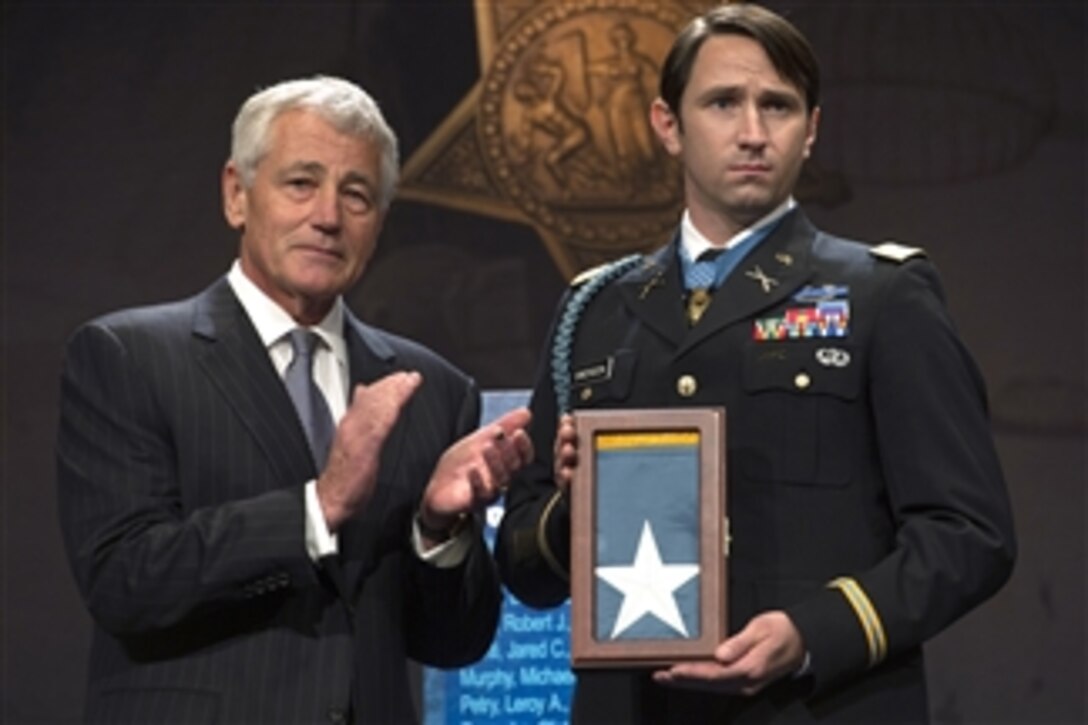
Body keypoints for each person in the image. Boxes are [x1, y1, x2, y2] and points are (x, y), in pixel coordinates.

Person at [494, 4, 1016, 723]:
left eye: (778, 106)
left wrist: (811, 633)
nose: (752, 132)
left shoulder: (883, 294)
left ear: (812, 130)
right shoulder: (593, 310)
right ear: (667, 125)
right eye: (722, 103)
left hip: (812, 703)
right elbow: (526, 565)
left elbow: (969, 534)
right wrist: (571, 510)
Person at [56, 75, 533, 725]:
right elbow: (124, 581)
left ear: (380, 221)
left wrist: (436, 529)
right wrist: (317, 507)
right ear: (236, 194)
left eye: (356, 194)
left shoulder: (433, 390)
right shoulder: (127, 356)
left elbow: (455, 641)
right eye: (301, 183)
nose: (328, 216)